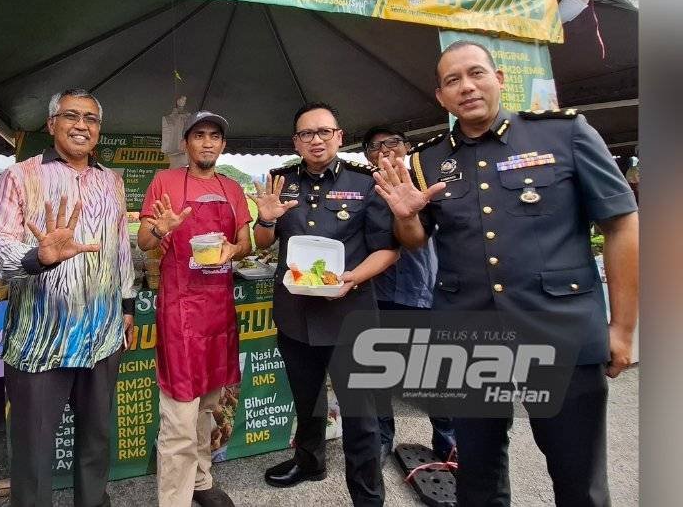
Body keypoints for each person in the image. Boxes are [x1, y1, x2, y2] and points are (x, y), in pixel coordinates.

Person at [372, 40, 639, 506]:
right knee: (477, 474)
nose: (466, 86)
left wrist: (622, 326)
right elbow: (416, 239)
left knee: (578, 477)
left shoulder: (565, 133)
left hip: (559, 331)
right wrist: (406, 216)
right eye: (452, 80)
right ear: (441, 97)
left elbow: (621, 223)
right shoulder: (430, 159)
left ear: (499, 79)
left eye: (476, 73)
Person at [0, 88, 136, 507]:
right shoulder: (20, 176)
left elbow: (120, 248)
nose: (82, 125)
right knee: (33, 450)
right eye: (71, 115)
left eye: (91, 118)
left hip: (102, 335)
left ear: (99, 131)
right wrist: (38, 257)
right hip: (39, 339)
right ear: (52, 125)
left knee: (96, 439)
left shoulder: (112, 181)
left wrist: (125, 305)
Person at [252, 102, 398, 506]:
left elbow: (387, 250)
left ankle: (368, 497)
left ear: (339, 136)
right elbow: (263, 243)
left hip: (351, 315)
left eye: (323, 132)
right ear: (295, 141)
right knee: (307, 399)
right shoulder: (280, 182)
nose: (315, 140)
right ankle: (310, 460)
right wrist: (265, 221)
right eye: (306, 134)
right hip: (296, 315)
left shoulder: (366, 182)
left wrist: (352, 278)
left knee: (361, 416)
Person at [137, 111, 253, 507]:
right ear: (186, 143)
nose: (207, 142)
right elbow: (143, 243)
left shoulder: (232, 188)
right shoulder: (165, 181)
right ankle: (175, 500)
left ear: (222, 145)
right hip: (181, 310)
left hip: (219, 310)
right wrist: (161, 227)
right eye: (199, 135)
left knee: (207, 404)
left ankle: (201, 479)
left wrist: (235, 249)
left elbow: (246, 243)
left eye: (215, 136)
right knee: (180, 419)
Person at [360, 126, 456, 464]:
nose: (384, 150)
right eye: (375, 146)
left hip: (423, 292)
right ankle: (383, 435)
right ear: (367, 154)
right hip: (378, 292)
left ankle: (447, 440)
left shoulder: (431, 181)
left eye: (393, 143)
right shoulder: (366, 190)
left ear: (408, 147)